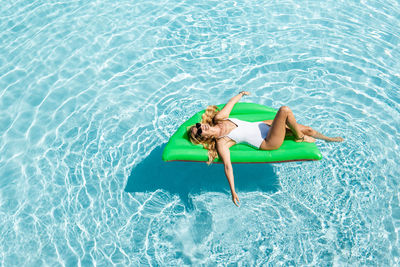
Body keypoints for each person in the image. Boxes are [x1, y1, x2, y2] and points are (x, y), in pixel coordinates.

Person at [188, 91, 344, 207]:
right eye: (199, 131)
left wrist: (241, 94)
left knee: (308, 129)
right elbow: (228, 166)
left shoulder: (219, 118)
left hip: (264, 125)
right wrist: (233, 191)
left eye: (198, 126)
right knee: (284, 110)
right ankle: (299, 138)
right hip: (267, 140)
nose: (201, 126)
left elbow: (231, 103)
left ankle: (329, 139)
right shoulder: (223, 142)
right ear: (204, 138)